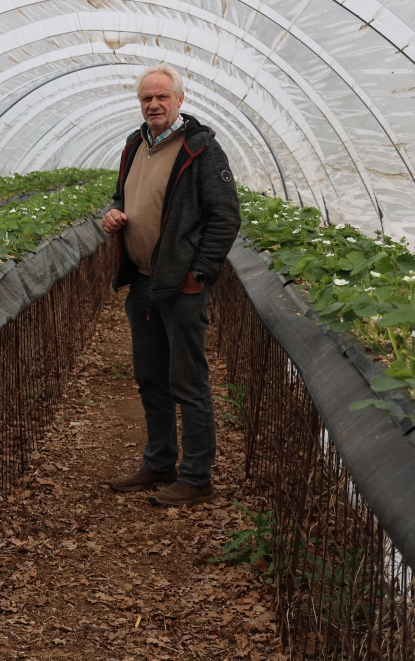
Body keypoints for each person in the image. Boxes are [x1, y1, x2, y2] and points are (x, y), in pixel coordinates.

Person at [103, 63, 241, 507]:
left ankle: (197, 476)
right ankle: (160, 462)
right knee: (150, 379)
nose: (154, 104)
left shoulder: (201, 150)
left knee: (188, 382)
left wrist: (198, 274)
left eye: (162, 96)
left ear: (179, 100)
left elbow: (225, 217)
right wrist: (114, 214)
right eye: (147, 98)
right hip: (143, 283)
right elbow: (123, 197)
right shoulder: (134, 145)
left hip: (181, 288)